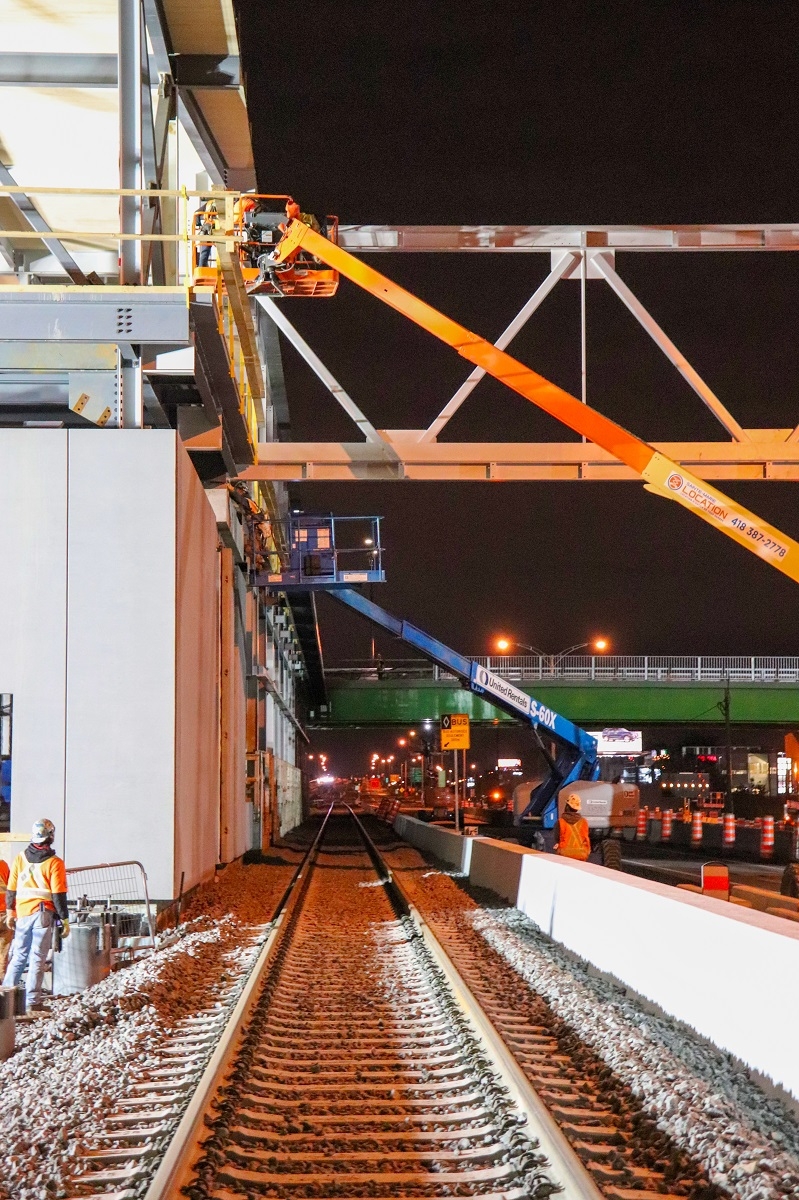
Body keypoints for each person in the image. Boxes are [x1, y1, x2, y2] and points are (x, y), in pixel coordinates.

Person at [3, 819, 69, 1011]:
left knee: (19, 955)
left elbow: (11, 888)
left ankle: (5, 1000)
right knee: (37, 957)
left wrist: (10, 912)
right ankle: (33, 1002)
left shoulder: (20, 858)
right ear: (51, 836)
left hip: (22, 913)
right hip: (42, 913)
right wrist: (65, 919)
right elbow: (58, 894)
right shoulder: (54, 863)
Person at [554, 793, 591, 861]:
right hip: (581, 854)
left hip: (564, 854)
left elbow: (557, 838)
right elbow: (586, 838)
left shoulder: (560, 821)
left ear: (567, 806)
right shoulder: (584, 822)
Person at [0, 856, 10, 970]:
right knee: (3, 954)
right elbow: (12, 888)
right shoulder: (2, 865)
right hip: (4, 914)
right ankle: (2, 984)